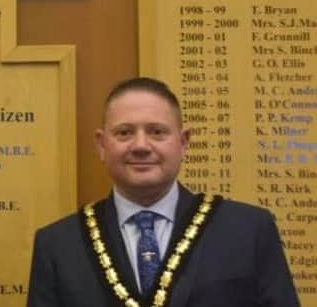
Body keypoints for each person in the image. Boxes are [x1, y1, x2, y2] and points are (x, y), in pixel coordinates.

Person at [27, 77, 299, 307]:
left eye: (157, 132)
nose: (141, 145)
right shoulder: (58, 246)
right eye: (124, 133)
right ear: (101, 145)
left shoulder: (249, 231)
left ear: (183, 143)